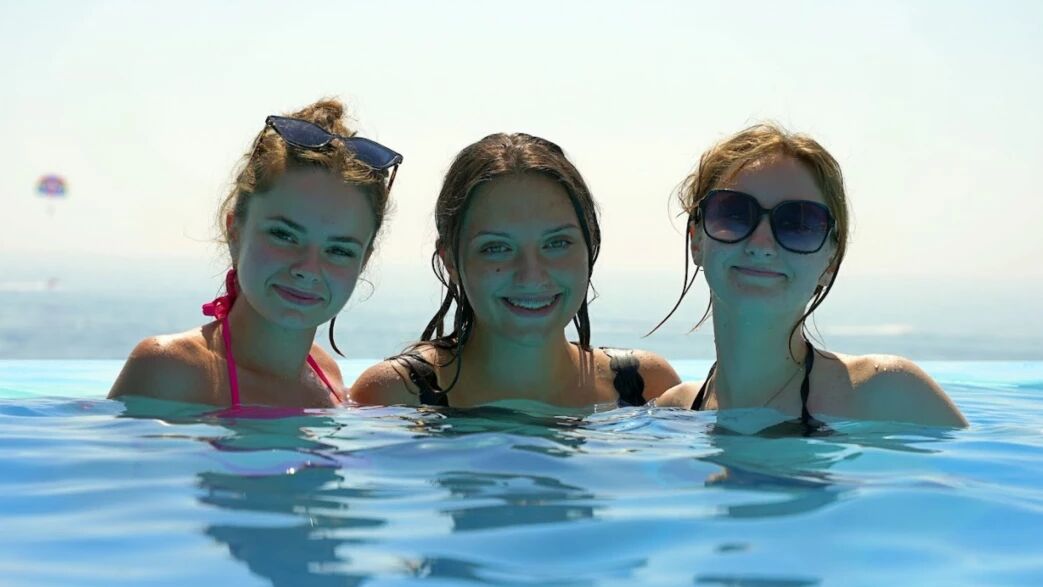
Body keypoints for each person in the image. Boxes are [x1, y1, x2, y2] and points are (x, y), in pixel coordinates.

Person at [654, 124, 967, 429]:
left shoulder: (891, 396)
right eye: (734, 214)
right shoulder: (675, 414)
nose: (761, 244)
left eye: (798, 224)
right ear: (697, 241)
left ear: (830, 261)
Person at [109, 99, 402, 409]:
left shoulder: (329, 378)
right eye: (284, 235)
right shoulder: (170, 371)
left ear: (363, 262)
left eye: (339, 250)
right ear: (234, 232)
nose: (308, 268)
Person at [351, 133, 679, 408]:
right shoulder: (395, 394)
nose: (532, 275)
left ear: (589, 245)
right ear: (450, 261)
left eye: (557, 243)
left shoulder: (647, 386)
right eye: (497, 248)